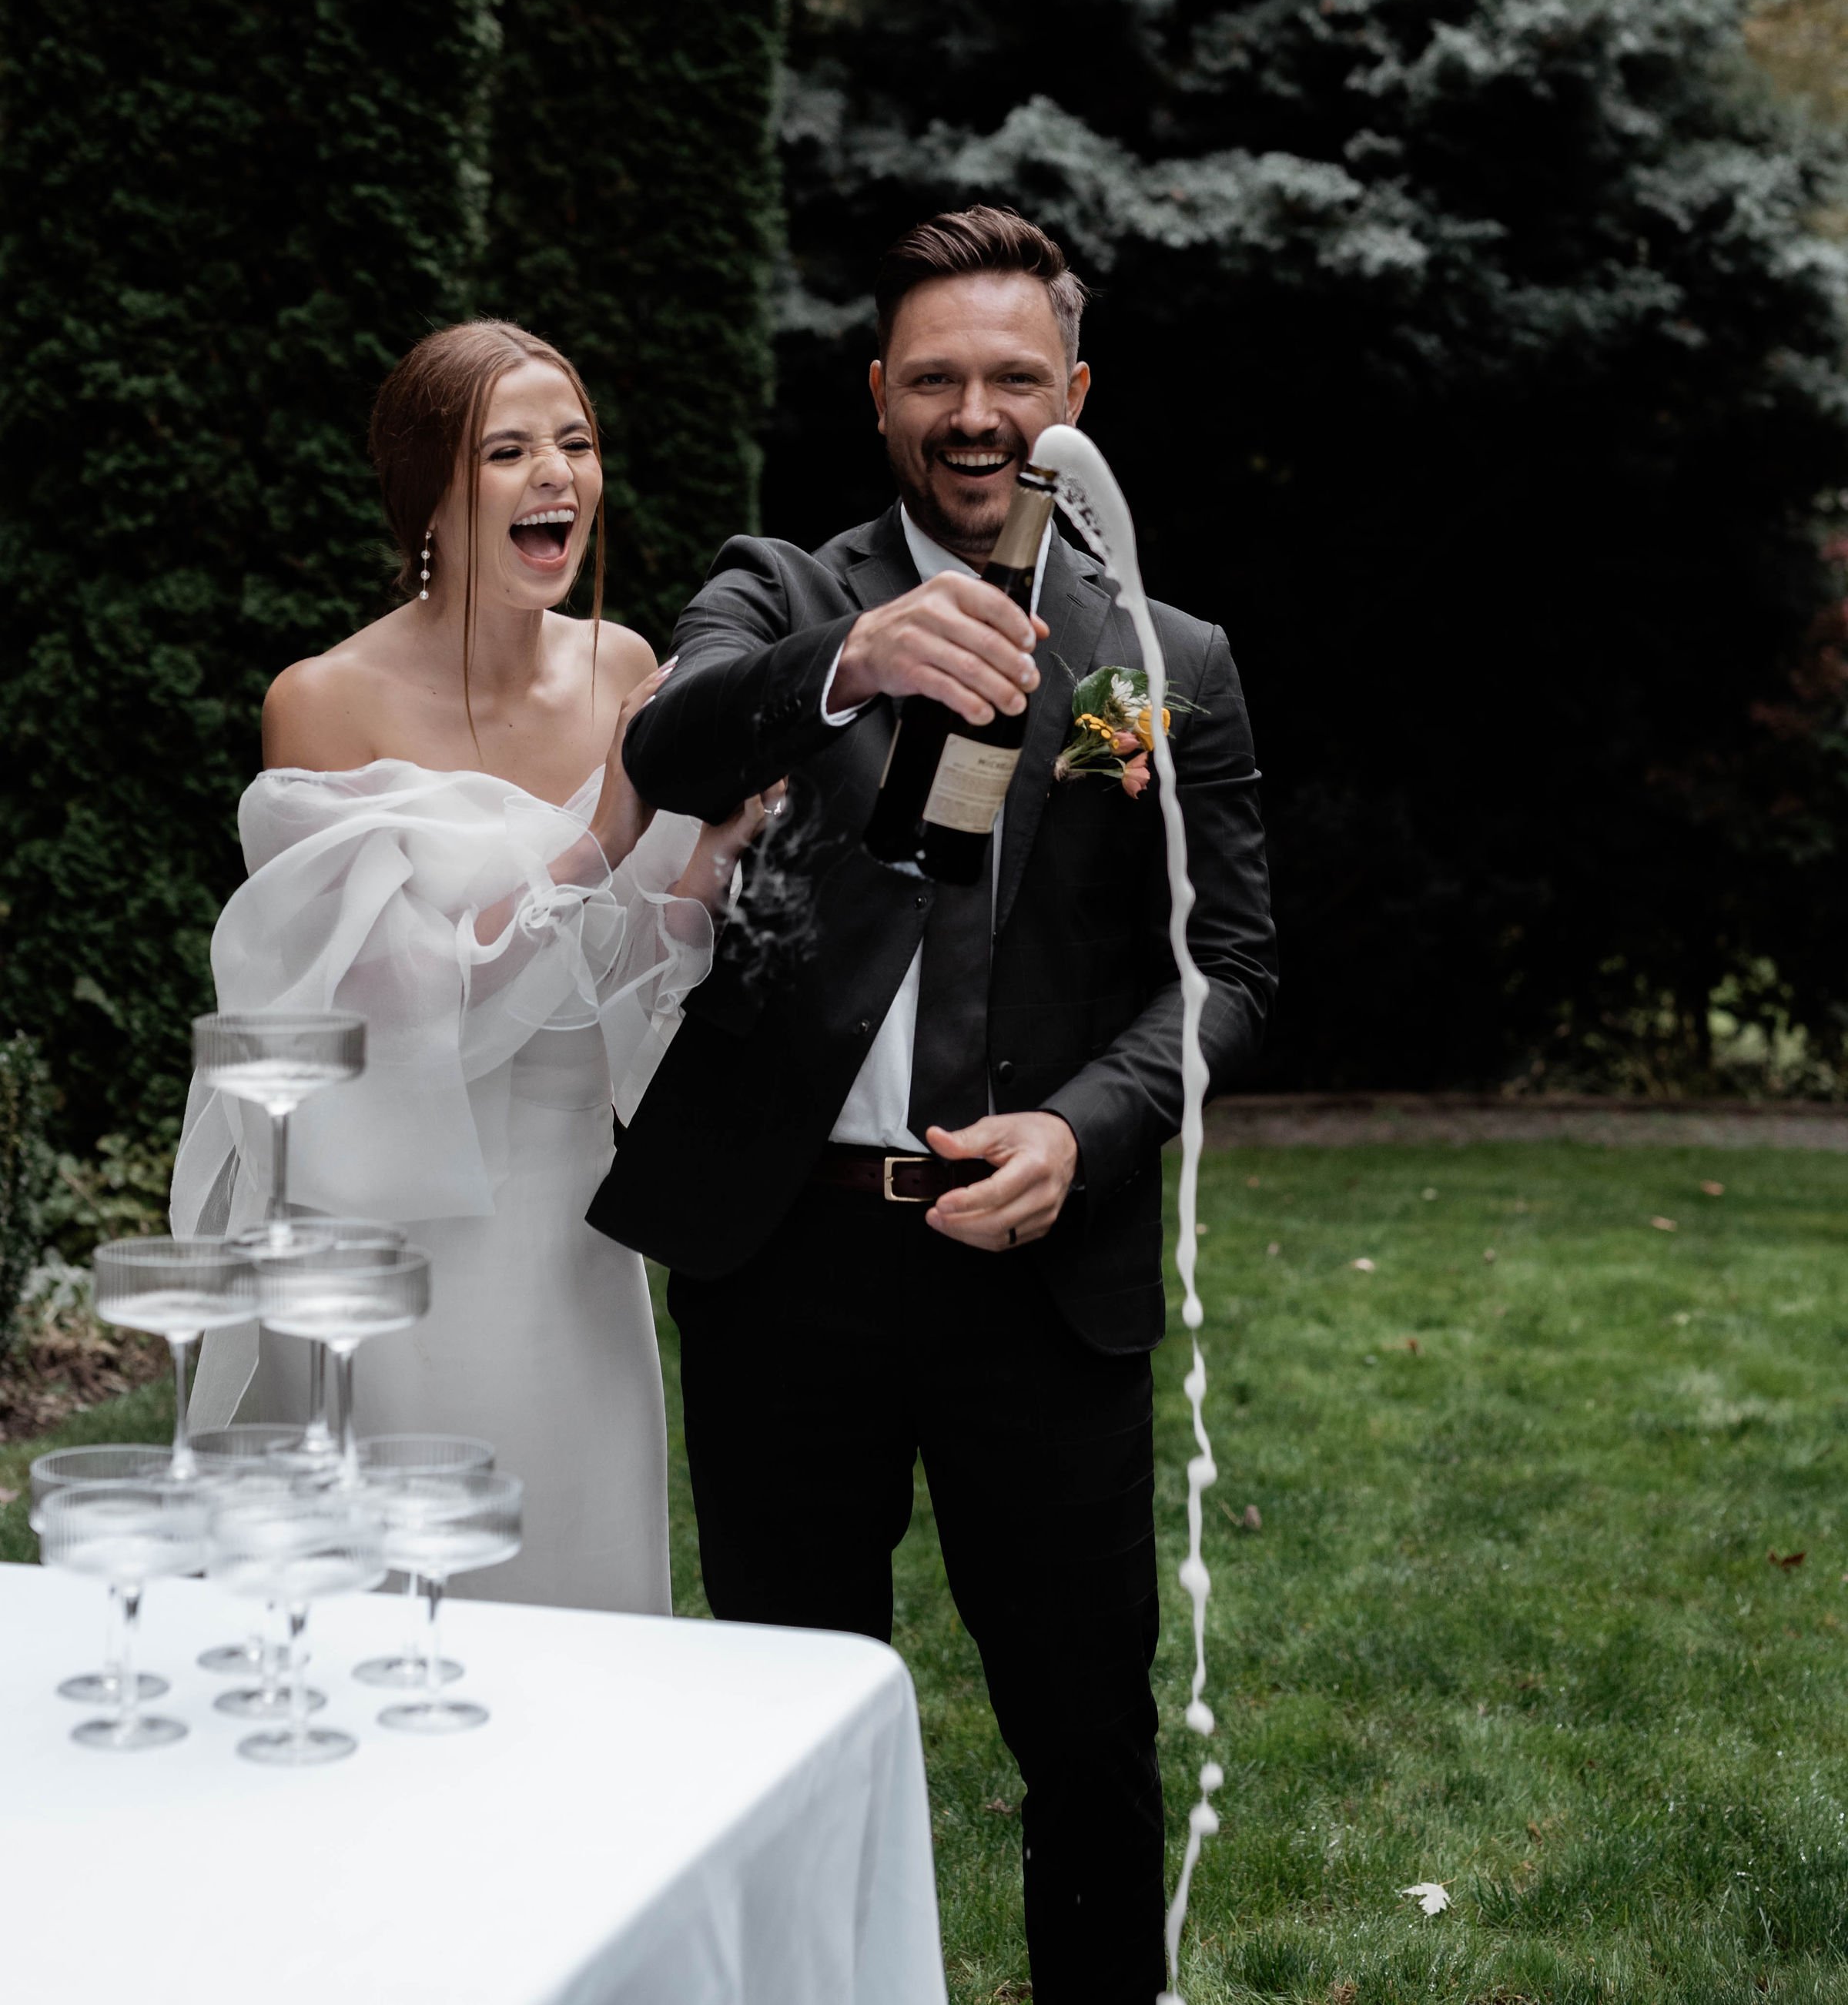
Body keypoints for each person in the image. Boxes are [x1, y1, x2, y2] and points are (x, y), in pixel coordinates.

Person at [591, 206, 1277, 1998]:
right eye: (938, 380)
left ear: (1074, 399)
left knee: (1086, 1740)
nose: (977, 415)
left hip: (1031, 1270)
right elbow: (666, 744)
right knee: (787, 1730)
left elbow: (1230, 969)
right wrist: (855, 662)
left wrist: (1090, 1127)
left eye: (1015, 380)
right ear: (880, 392)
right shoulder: (784, 592)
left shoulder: (1169, 663)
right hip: (787, 1261)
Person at [172, 320, 764, 1613]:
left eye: (576, 444)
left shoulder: (624, 668)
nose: (557, 475)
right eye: (509, 451)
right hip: (390, 1230)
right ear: (429, 491)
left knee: (588, 1592)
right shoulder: (323, 700)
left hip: (574, 1227)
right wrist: (607, 831)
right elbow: (394, 1011)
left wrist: (715, 848)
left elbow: (636, 970)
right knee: (413, 1606)